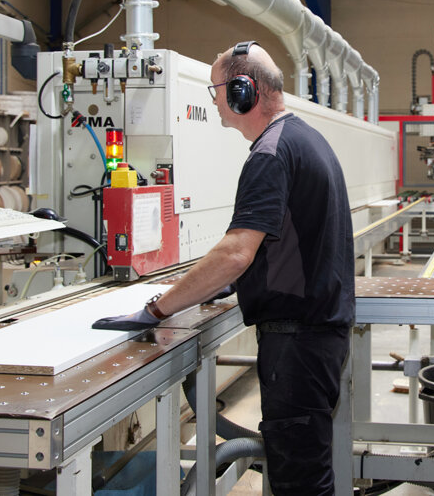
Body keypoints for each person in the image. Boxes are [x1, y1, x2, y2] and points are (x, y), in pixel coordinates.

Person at [93, 41, 355, 495]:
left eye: (217, 90)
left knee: (300, 484)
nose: (213, 101)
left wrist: (156, 309)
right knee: (306, 471)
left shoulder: (268, 154)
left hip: (298, 345)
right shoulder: (303, 139)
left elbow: (237, 250)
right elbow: (279, 245)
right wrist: (225, 283)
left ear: (242, 91)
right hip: (316, 337)